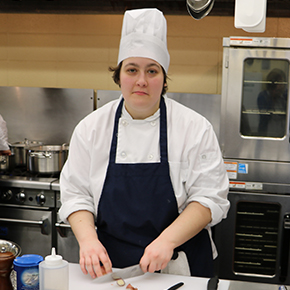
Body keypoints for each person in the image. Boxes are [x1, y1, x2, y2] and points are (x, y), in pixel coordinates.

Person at [59, 8, 229, 280]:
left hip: (179, 266)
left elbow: (210, 197)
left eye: (152, 71)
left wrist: (167, 240)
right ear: (119, 76)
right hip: (111, 269)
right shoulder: (91, 129)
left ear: (164, 79)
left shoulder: (194, 128)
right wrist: (88, 241)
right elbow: (76, 194)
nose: (141, 80)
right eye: (132, 69)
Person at [257, 68, 287, 138]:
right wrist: (272, 97)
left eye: (282, 82)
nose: (281, 86)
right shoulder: (263, 95)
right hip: (268, 132)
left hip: (283, 131)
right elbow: (264, 116)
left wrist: (281, 96)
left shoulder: (285, 95)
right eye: (278, 82)